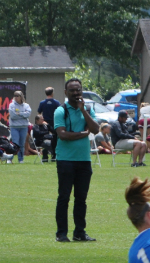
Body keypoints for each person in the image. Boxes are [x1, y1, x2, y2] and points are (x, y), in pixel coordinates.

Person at [53, 78, 100, 242]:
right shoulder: (61, 111)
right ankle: (61, 233)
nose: (75, 93)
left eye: (78, 90)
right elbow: (63, 135)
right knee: (64, 197)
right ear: (66, 93)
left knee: (81, 198)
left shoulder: (86, 109)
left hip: (84, 160)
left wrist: (83, 111)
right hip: (66, 160)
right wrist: (82, 134)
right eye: (72, 90)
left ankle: (79, 232)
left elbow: (95, 129)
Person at [38, 87, 60, 161]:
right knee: (54, 139)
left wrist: (41, 121)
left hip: (45, 123)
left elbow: (39, 113)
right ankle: (54, 155)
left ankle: (45, 156)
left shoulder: (42, 103)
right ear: (52, 93)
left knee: (45, 138)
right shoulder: (56, 103)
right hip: (54, 122)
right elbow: (59, 112)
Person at [8, 91, 31, 163]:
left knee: (21, 143)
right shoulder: (12, 105)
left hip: (24, 126)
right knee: (15, 143)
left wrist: (19, 113)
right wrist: (23, 114)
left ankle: (20, 159)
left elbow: (28, 114)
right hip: (14, 126)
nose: (16, 97)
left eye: (17, 96)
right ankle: (10, 158)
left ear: (21, 96)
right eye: (15, 95)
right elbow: (13, 116)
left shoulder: (26, 105)